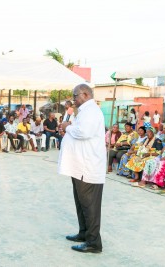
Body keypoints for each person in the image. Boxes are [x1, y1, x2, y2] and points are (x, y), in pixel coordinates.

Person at [58, 84, 106, 253]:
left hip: (88, 167)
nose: (73, 99)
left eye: (75, 95)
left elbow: (84, 132)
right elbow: (79, 130)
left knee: (89, 204)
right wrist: (69, 127)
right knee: (81, 202)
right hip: (79, 166)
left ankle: (94, 242)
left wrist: (67, 127)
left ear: (85, 94)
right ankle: (84, 233)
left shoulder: (91, 110)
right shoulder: (84, 111)